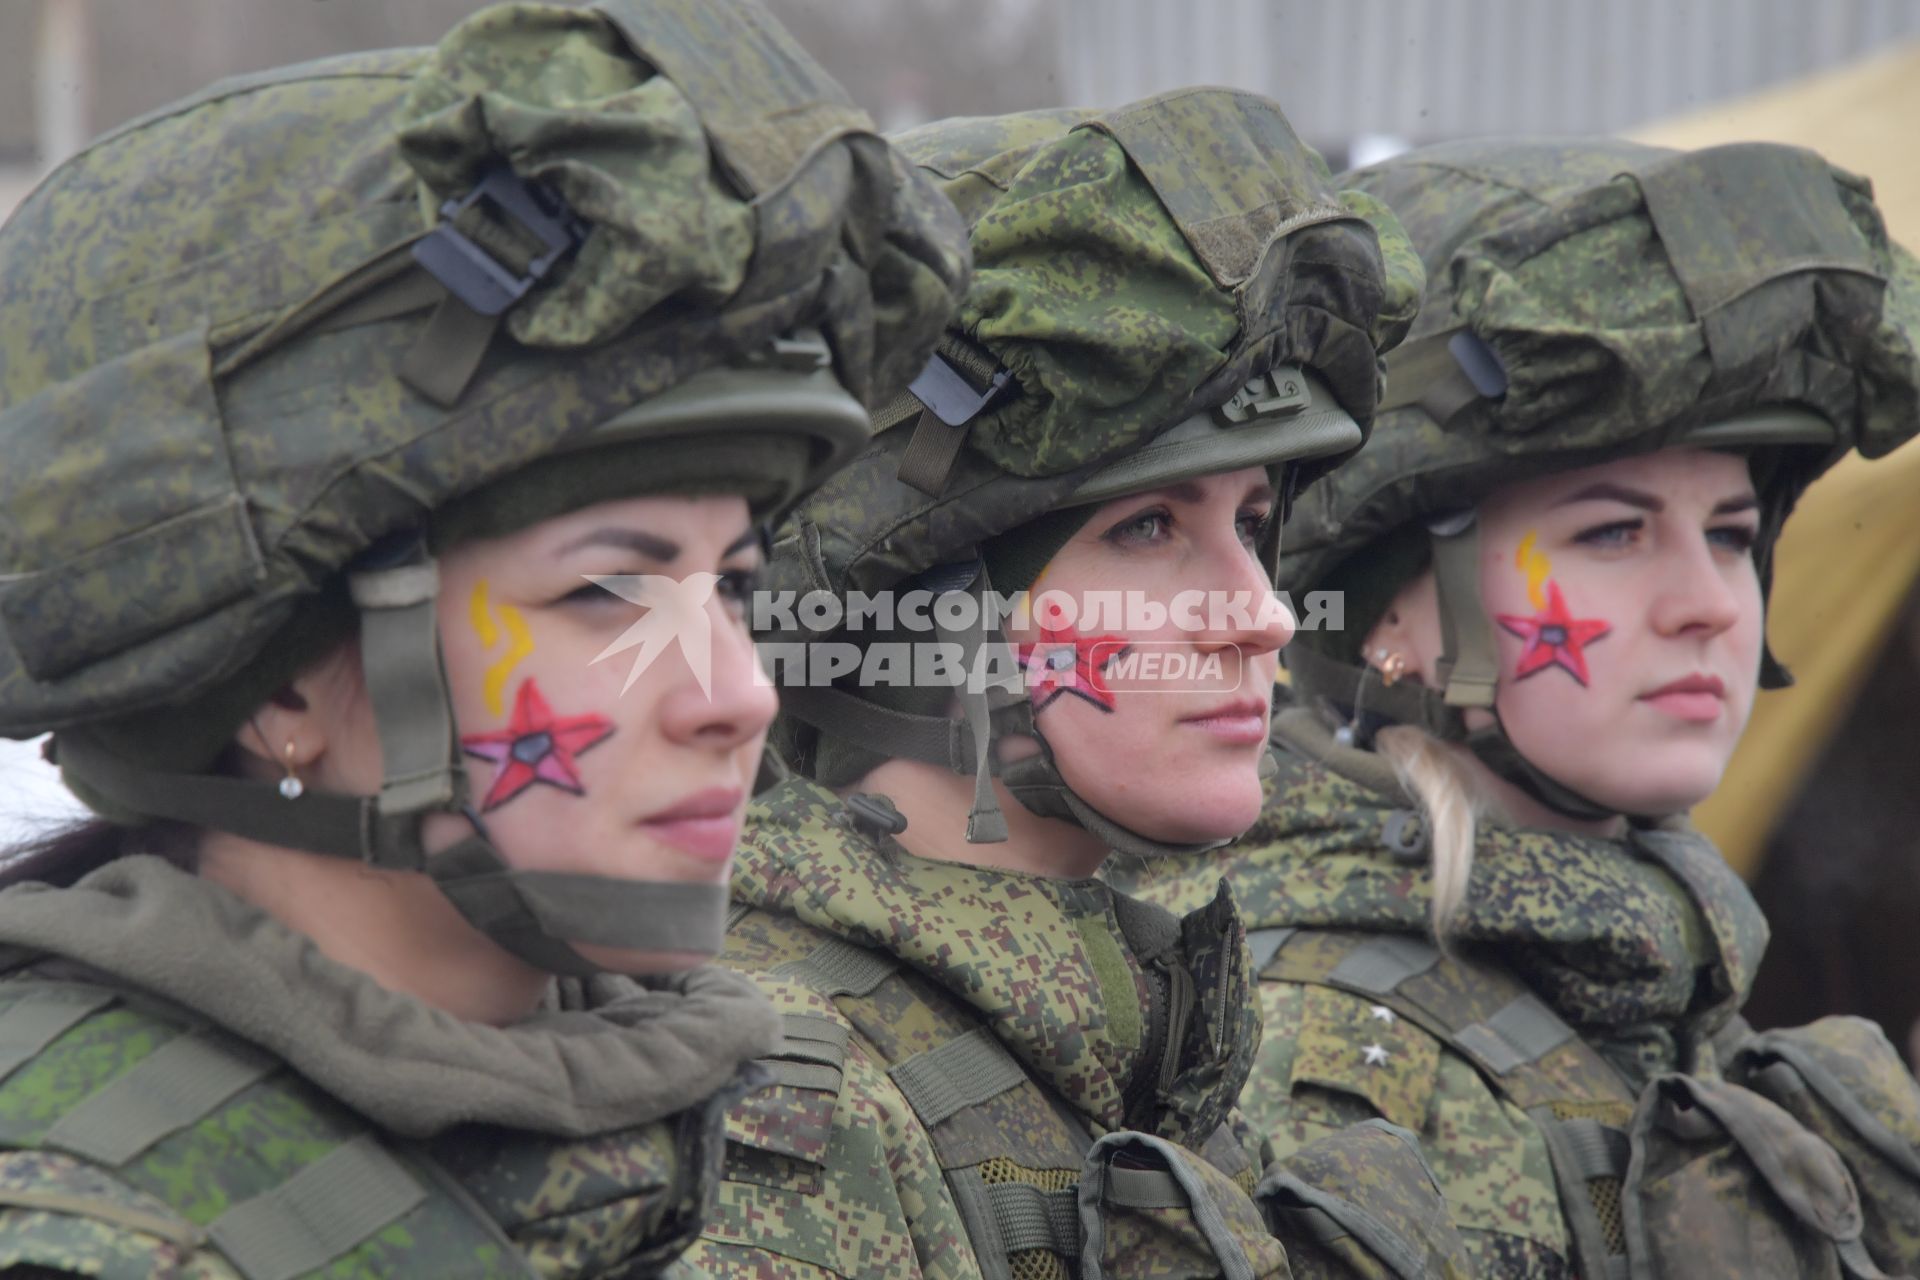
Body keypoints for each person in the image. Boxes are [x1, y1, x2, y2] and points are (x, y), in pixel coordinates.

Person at [0, 2, 968, 1274]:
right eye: (610, 597)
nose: (738, 699)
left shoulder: (727, 1121)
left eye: (729, 589)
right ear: (283, 686)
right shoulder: (95, 1231)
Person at [687, 95, 1468, 1280]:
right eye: (1149, 528)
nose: (1259, 610)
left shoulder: (1148, 1055)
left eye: (1254, 523)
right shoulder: (794, 1124)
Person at [1109, 137, 1920, 1278]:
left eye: (1731, 535)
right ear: (1392, 619)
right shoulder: (1331, 1079)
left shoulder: (1665, 998)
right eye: (1613, 532)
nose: (1705, 605)